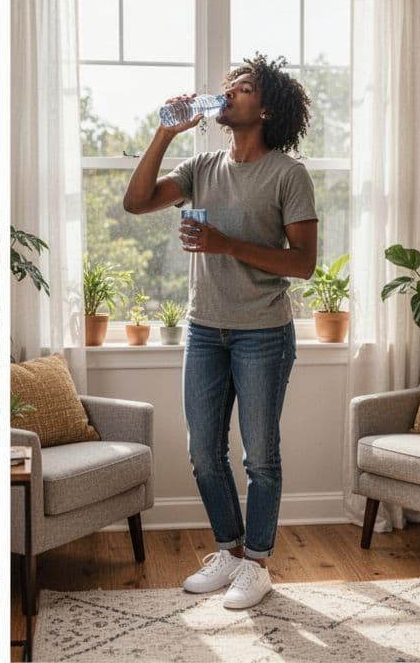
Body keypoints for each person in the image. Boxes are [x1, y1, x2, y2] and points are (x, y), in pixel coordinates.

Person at [122, 54, 317, 609]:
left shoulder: (288, 173)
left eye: (245, 86)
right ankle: (230, 555)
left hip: (263, 333)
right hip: (204, 330)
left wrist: (227, 245)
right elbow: (136, 203)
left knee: (260, 457)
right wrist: (165, 132)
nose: (229, 91)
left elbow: (303, 263)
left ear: (268, 107)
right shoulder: (202, 166)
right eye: (229, 83)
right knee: (204, 453)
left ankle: (257, 564)